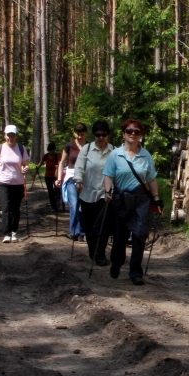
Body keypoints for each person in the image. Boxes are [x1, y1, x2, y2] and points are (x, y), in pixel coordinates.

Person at [102, 119, 163, 285]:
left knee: (139, 235)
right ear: (123, 134)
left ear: (140, 135)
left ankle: (136, 272)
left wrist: (156, 199)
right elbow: (108, 175)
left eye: (136, 132)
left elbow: (151, 179)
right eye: (129, 131)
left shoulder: (146, 155)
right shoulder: (115, 155)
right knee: (119, 237)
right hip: (121, 198)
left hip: (141, 200)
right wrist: (107, 191)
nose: (133, 134)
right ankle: (116, 262)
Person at [74, 120, 115, 265]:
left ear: (108, 135)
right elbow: (79, 167)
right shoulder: (86, 149)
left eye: (104, 134)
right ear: (94, 135)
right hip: (87, 194)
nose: (101, 137)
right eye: (98, 135)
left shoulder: (114, 151)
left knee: (102, 225)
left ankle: (100, 254)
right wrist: (78, 181)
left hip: (105, 195)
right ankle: (93, 251)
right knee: (90, 226)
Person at [0, 125, 30, 243]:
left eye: (13, 135)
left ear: (16, 136)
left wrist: (26, 168)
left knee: (15, 209)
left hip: (18, 183)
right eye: (8, 135)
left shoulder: (21, 148)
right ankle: (6, 233)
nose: (10, 138)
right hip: (3, 182)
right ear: (5, 136)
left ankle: (14, 231)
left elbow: (26, 163)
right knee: (6, 207)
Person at [58, 123, 87, 241]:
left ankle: (82, 232)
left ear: (86, 134)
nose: (80, 137)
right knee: (74, 204)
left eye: (82, 134)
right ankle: (73, 231)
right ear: (75, 133)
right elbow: (61, 162)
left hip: (85, 179)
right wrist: (59, 178)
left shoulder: (89, 146)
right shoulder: (69, 146)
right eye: (78, 134)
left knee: (83, 206)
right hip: (71, 178)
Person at [35, 142, 61, 212]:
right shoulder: (46, 156)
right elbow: (40, 163)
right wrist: (37, 168)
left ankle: (57, 202)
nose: (51, 152)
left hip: (55, 176)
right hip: (48, 176)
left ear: (54, 150)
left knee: (57, 190)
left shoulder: (56, 157)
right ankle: (53, 206)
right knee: (50, 191)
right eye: (50, 150)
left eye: (52, 150)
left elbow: (60, 165)